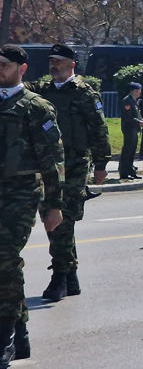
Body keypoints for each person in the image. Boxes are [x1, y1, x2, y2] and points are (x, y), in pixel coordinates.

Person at [25, 43, 111, 303]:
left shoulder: (85, 93)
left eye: (59, 61)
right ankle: (70, 276)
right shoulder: (42, 91)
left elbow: (99, 128)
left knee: (62, 217)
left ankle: (60, 276)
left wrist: (101, 164)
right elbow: (17, 89)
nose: (54, 65)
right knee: (54, 218)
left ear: (72, 64)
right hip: (49, 162)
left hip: (75, 162)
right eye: (52, 61)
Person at [0, 44, 65, 366]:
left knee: (3, 258)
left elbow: (53, 160)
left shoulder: (36, 107)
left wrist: (54, 205)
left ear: (21, 69)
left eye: (5, 65)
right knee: (6, 265)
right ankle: (21, 333)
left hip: (21, 192)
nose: (0, 69)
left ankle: (5, 339)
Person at [118, 82, 143, 180]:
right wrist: (138, 122)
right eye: (139, 91)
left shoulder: (134, 101)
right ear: (135, 91)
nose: (140, 93)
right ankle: (124, 172)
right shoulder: (127, 101)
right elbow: (128, 117)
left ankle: (131, 171)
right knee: (127, 151)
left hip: (134, 129)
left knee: (132, 151)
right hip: (129, 128)